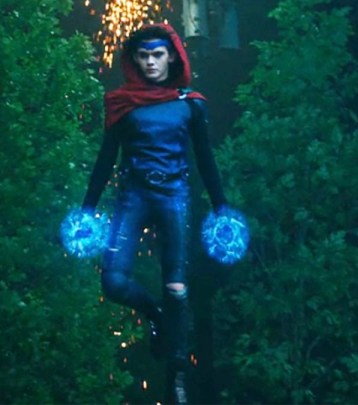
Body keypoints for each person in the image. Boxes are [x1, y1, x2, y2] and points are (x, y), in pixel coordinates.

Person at [81, 23, 227, 404]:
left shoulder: (190, 103)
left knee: (177, 289)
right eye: (144, 55)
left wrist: (221, 206)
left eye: (157, 55)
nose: (150, 62)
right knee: (113, 283)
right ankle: (156, 315)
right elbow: (105, 159)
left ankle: (177, 379)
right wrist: (87, 208)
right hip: (133, 196)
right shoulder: (123, 104)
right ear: (135, 59)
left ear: (172, 56)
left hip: (173, 196)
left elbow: (205, 159)